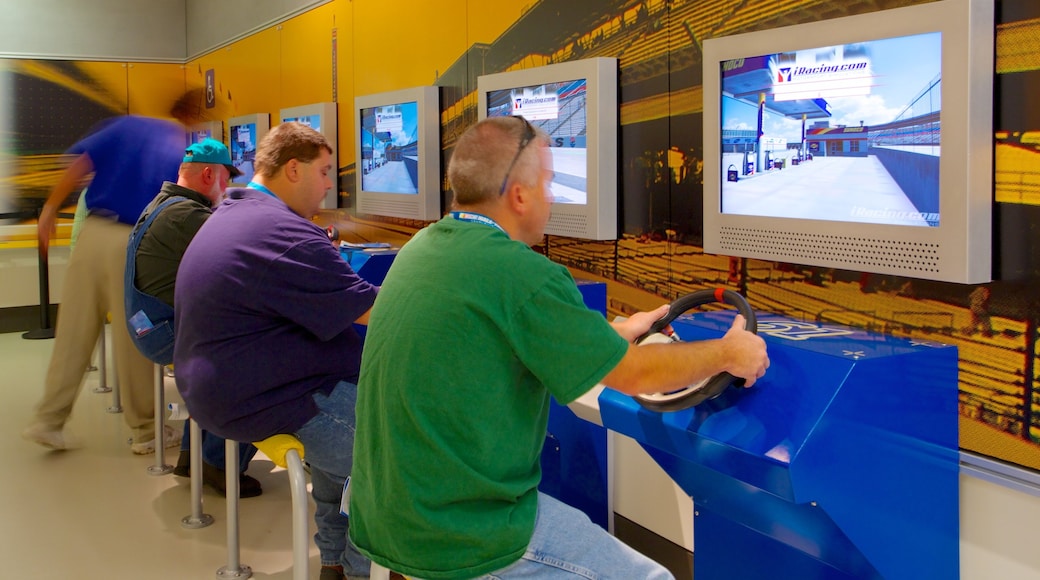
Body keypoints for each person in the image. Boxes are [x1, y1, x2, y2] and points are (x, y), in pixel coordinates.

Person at [348, 116, 770, 579]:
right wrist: (730, 352)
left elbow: (502, 338)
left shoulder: (424, 248)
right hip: (461, 533)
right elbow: (635, 377)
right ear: (520, 195)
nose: (551, 197)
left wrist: (613, 335)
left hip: (388, 515)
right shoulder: (520, 271)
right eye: (547, 183)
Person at [173, 122, 377, 580]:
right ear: (292, 168)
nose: (329, 184)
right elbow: (374, 311)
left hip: (223, 389)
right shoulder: (285, 235)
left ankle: (333, 561)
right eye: (324, 172)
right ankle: (365, 570)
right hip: (266, 399)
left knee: (350, 404)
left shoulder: (234, 213)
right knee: (395, 450)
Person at [22, 92, 206, 454]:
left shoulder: (124, 126)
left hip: (93, 234)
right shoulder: (180, 146)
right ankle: (147, 431)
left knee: (74, 329)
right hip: (132, 241)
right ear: (194, 116)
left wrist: (49, 210)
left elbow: (79, 165)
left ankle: (49, 420)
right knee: (133, 333)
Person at [126, 138, 262, 498]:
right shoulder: (187, 216)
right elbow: (245, 256)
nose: (229, 187)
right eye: (225, 179)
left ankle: (195, 456)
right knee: (255, 352)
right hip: (164, 331)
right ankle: (218, 464)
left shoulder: (165, 204)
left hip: (148, 323)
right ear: (207, 174)